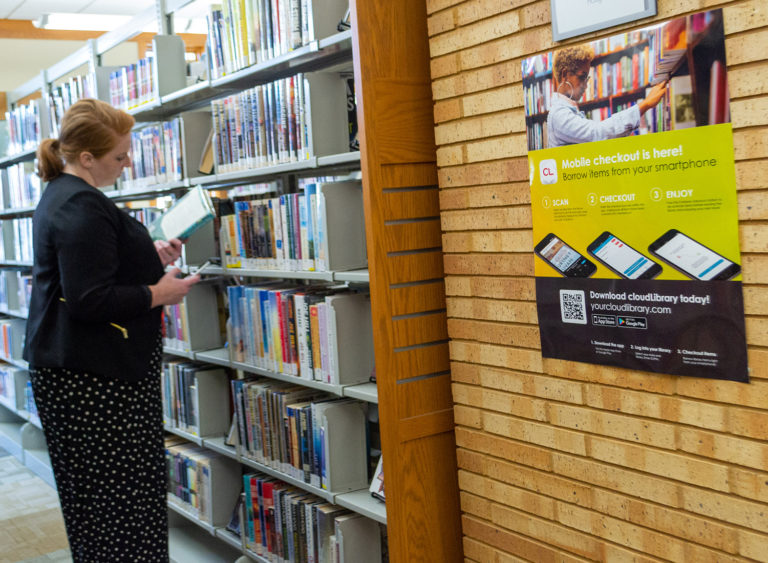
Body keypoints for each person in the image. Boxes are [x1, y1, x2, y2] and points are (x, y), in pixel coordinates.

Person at [23, 98, 200, 562]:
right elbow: (88, 299)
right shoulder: (80, 205)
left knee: (103, 505)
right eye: (119, 156)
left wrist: (147, 260)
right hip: (96, 382)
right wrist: (158, 293)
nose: (127, 164)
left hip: (87, 376)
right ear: (86, 158)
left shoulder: (65, 195)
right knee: (118, 506)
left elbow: (90, 269)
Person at [547, 44, 668, 147]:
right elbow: (597, 133)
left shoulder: (568, 110)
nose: (586, 85)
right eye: (582, 76)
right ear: (565, 75)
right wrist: (645, 104)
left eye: (587, 78)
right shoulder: (559, 115)